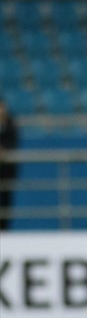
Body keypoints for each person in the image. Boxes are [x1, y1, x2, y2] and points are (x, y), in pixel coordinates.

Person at [0, 97, 18, 231]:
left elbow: (13, 143)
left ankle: (4, 230)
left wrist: (3, 150)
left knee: (6, 200)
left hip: (7, 171)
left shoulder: (11, 124)